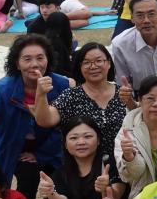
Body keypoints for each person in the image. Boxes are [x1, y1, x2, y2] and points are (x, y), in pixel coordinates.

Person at [0, 35, 70, 199]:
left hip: (49, 146)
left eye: (40, 58)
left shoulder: (60, 85)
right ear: (17, 64)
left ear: (48, 60)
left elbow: (64, 128)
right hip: (10, 147)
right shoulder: (3, 88)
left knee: (61, 174)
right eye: (27, 59)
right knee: (28, 175)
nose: (34, 64)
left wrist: (41, 154)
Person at [34, 42, 131, 183]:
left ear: (109, 63)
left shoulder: (123, 93)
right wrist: (41, 94)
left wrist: (131, 102)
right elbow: (45, 120)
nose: (93, 66)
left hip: (123, 164)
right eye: (86, 62)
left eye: (99, 61)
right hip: (83, 169)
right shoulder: (71, 96)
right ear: (80, 67)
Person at [110, 0, 157, 88]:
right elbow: (123, 83)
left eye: (151, 14)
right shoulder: (120, 44)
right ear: (132, 18)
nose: (146, 20)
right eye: (140, 15)